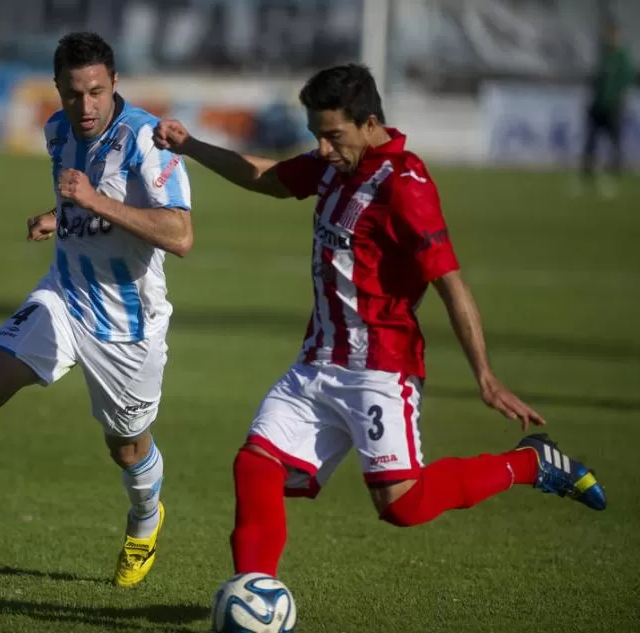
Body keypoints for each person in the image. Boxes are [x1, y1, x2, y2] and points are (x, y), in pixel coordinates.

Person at [154, 64, 605, 577]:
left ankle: (531, 463)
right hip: (316, 362)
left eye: (332, 135)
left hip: (381, 369)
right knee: (255, 464)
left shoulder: (404, 184)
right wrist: (190, 145)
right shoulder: (334, 166)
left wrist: (485, 376)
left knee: (402, 506)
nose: (323, 148)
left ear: (370, 123)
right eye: (316, 136)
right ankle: (256, 592)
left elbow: (450, 283)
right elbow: (272, 178)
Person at [0, 32, 194, 588]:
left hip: (128, 324)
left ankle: (146, 519)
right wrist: (61, 217)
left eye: (97, 92)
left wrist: (89, 201)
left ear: (114, 85)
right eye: (73, 93)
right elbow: (83, 199)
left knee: (126, 446)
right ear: (56, 89)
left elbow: (180, 234)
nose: (86, 107)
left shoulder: (147, 141)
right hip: (64, 296)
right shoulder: (57, 130)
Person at [581, 19, 634, 199]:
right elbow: (597, 78)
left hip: (613, 107)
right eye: (608, 34)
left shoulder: (622, 57)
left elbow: (627, 79)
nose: (610, 37)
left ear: (618, 36)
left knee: (614, 142)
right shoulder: (604, 55)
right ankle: (586, 176)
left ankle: (613, 176)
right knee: (590, 141)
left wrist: (618, 98)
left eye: (613, 34)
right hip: (598, 106)